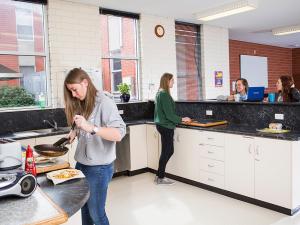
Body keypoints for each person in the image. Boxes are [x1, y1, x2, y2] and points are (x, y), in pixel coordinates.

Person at [64, 68, 126, 225]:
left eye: (74, 90)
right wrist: (74, 131)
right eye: (70, 91)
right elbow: (82, 123)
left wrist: (92, 128)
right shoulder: (83, 102)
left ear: (85, 83)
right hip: (82, 165)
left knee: (96, 214)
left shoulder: (105, 102)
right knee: (85, 211)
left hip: (99, 169)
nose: (73, 94)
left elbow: (119, 133)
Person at [154, 73, 191, 185]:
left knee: (167, 151)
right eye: (172, 80)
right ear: (167, 81)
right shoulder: (164, 94)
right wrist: (182, 119)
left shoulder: (159, 93)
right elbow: (169, 115)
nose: (173, 82)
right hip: (166, 126)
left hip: (161, 124)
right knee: (168, 151)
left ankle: (158, 176)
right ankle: (160, 177)